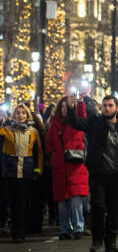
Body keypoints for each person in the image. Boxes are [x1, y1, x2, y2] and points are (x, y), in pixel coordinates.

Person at [67, 95, 118, 252]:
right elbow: (75, 123)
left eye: (110, 106)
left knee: (115, 209)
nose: (107, 108)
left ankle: (111, 242)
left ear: (116, 107)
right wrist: (72, 108)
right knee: (98, 207)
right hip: (98, 173)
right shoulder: (95, 122)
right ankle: (97, 240)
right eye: (105, 106)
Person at [47, 96, 89, 240]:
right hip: (59, 166)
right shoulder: (55, 123)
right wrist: (53, 154)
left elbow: (83, 115)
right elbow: (49, 142)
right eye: (63, 106)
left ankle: (78, 228)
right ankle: (64, 229)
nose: (65, 109)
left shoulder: (76, 121)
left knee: (75, 202)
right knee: (62, 204)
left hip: (75, 166)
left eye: (67, 106)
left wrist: (80, 103)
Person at [0, 104, 44, 243]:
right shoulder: (6, 131)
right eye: (18, 113)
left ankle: (20, 231)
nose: (21, 115)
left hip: (26, 171)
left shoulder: (33, 132)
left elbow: (39, 153)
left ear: (27, 115)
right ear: (14, 115)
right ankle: (15, 230)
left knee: (22, 202)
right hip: (10, 172)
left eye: (23, 113)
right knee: (12, 202)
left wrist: (38, 169)